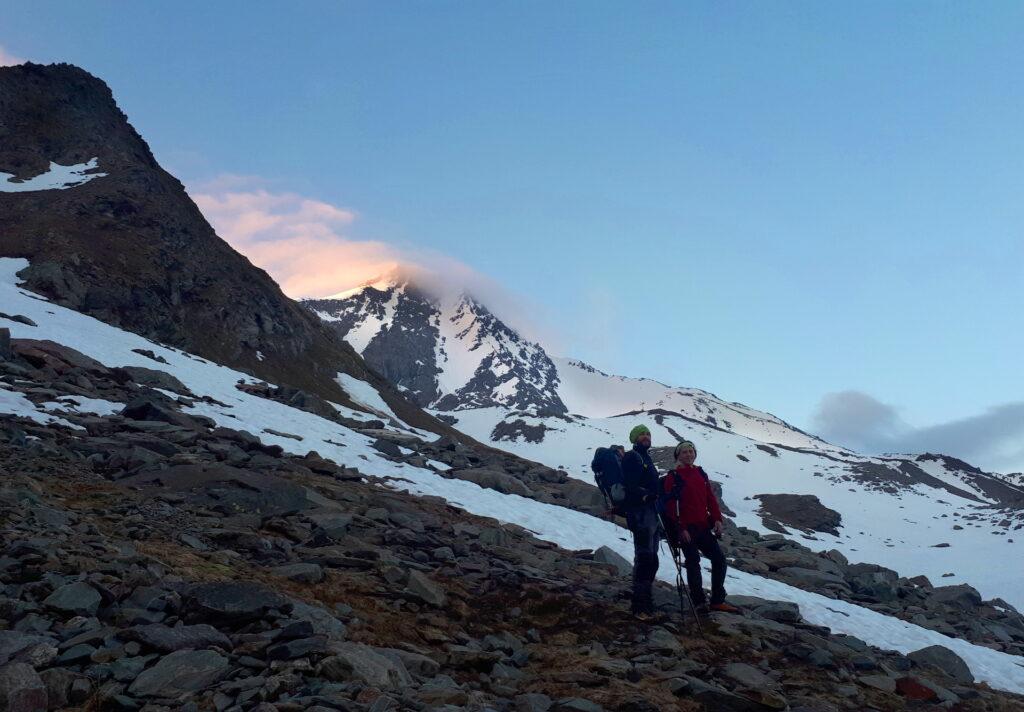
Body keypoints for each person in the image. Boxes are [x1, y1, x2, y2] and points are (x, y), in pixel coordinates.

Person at [660, 440, 738, 614]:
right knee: (693, 562)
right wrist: (681, 529)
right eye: (684, 452)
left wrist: (717, 519)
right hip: (686, 529)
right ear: (678, 455)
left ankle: (717, 600)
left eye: (691, 451)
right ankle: (699, 602)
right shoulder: (673, 476)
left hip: (703, 526)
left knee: (719, 560)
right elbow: (671, 506)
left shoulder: (700, 473)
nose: (688, 454)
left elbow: (710, 498)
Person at [620, 424, 661, 618]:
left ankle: (646, 601)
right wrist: (645, 495)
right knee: (645, 558)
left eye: (648, 433)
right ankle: (639, 607)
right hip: (640, 513)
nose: (646, 436)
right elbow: (630, 485)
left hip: (651, 513)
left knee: (652, 560)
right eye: (642, 434)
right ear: (634, 438)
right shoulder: (632, 457)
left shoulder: (646, 458)